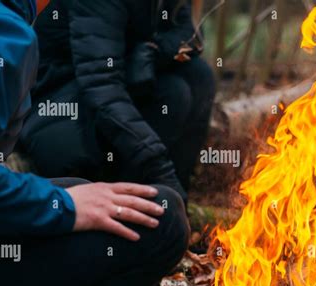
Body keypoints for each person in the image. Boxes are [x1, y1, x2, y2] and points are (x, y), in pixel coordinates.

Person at [0, 0, 190, 286]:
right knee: (163, 218)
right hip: (58, 131)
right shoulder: (1, 32)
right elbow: (101, 82)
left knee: (89, 192)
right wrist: (63, 207)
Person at [18, 0, 216, 195]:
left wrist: (153, 52)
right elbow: (101, 86)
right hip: (56, 116)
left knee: (198, 75)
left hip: (105, 95)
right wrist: (159, 168)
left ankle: (171, 203)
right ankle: (139, 197)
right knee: (173, 94)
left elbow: (188, 32)